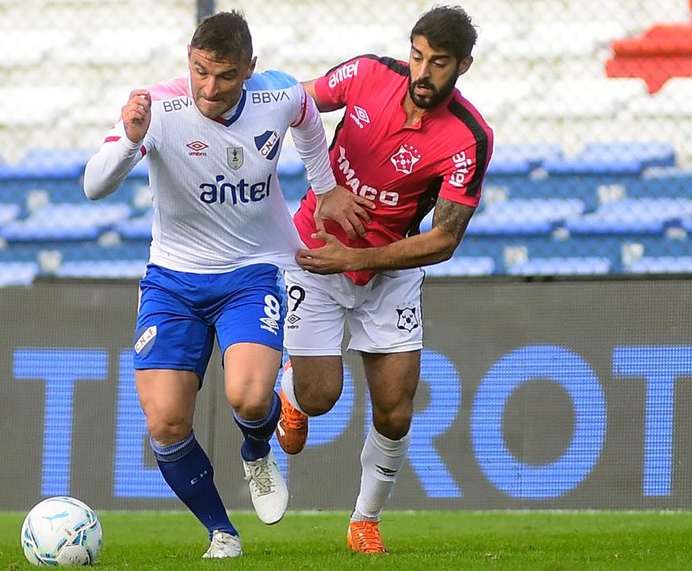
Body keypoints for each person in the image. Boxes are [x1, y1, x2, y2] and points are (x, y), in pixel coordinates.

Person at [83, 10, 371, 559]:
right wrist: (129, 139)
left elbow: (310, 119)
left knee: (251, 394)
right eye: (200, 72)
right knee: (166, 422)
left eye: (225, 76)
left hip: (253, 270)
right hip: (172, 280)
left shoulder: (278, 94)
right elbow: (95, 185)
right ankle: (221, 531)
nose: (209, 90)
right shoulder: (159, 109)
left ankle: (257, 450)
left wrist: (326, 187)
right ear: (188, 62)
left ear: (250, 70)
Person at [277, 5, 494, 554]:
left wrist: (362, 260)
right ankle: (293, 392)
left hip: (387, 269)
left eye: (438, 63)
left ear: (463, 66)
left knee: (396, 410)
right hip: (318, 252)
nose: (423, 73)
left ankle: (364, 521)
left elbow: (444, 240)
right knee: (321, 396)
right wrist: (322, 185)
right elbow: (291, 102)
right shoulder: (369, 73)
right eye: (418, 56)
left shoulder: (469, 137)